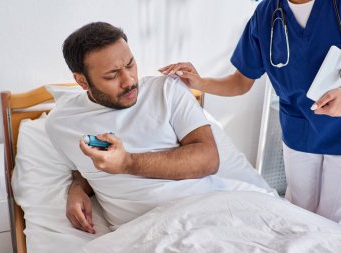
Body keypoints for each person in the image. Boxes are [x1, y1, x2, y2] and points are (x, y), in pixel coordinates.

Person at [46, 22, 273, 234]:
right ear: (82, 81)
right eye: (112, 75)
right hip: (143, 231)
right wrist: (77, 189)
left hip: (209, 209)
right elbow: (82, 168)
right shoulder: (60, 124)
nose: (129, 80)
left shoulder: (166, 90)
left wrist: (128, 163)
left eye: (130, 64)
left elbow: (208, 159)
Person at [159, 0, 341, 222]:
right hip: (299, 130)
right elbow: (240, 82)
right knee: (300, 214)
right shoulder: (266, 13)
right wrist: (199, 82)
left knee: (333, 218)